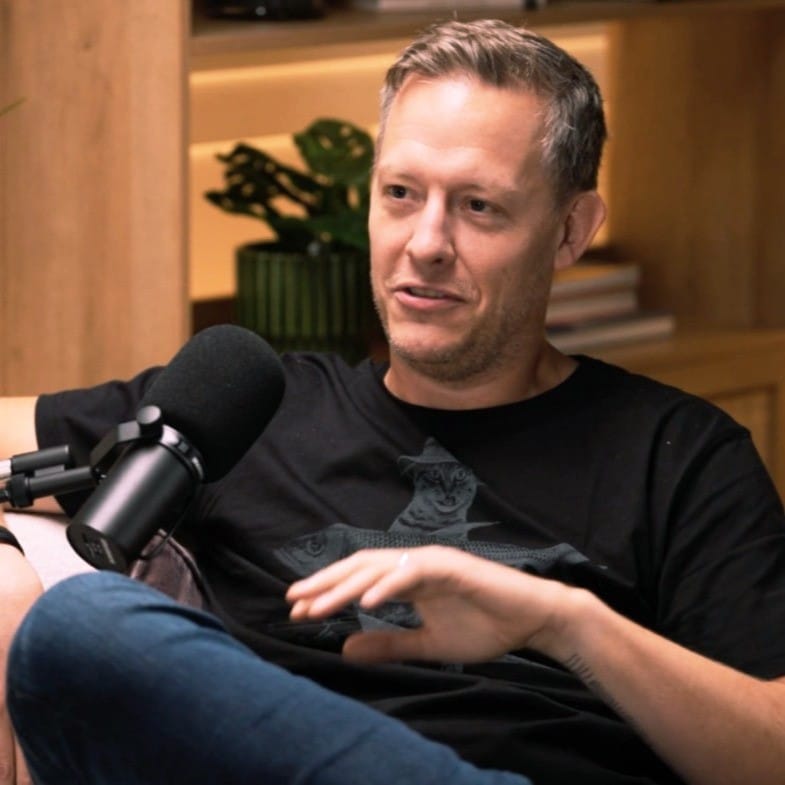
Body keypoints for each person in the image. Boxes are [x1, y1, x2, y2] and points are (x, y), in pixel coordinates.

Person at [2, 17, 785, 785]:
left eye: (478, 206)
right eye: (401, 193)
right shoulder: (249, 404)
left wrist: (561, 621)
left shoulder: (678, 454)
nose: (426, 243)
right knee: (83, 631)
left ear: (570, 230)